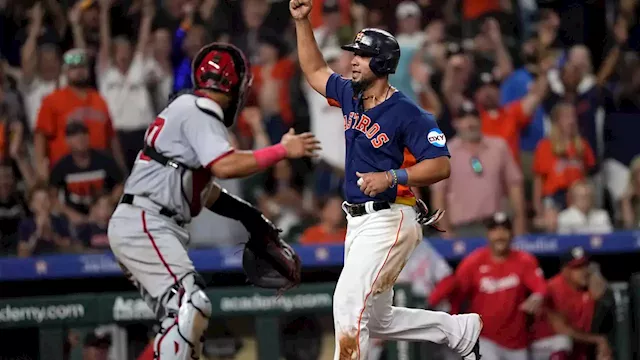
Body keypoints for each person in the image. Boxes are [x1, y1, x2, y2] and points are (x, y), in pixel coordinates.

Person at [290, 1, 482, 358]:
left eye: (361, 56)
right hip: (358, 221)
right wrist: (303, 23)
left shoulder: (409, 113)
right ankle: (456, 329)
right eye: (354, 55)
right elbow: (315, 70)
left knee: (348, 304)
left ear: (380, 63)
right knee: (375, 318)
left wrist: (393, 176)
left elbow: (440, 165)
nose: (352, 61)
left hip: (389, 217)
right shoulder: (351, 93)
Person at [108, 42, 320, 360]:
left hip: (147, 222)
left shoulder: (187, 112)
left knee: (184, 327)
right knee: (192, 307)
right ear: (237, 85)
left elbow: (206, 191)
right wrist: (282, 150)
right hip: (146, 222)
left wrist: (250, 217)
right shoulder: (200, 109)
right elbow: (226, 165)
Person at [430, 212, 547, 360]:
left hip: (518, 341)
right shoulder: (473, 262)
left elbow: (540, 287)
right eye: (495, 230)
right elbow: (457, 296)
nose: (500, 235)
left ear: (512, 234)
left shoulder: (524, 260)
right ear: (488, 234)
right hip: (484, 338)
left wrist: (537, 296)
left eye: (504, 230)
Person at [529, 247, 613, 360]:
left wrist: (594, 272)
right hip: (542, 348)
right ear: (565, 270)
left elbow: (600, 293)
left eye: (585, 265)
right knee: (562, 341)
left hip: (575, 350)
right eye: (577, 267)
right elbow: (561, 329)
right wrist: (599, 340)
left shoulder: (586, 287)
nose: (583, 271)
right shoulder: (552, 288)